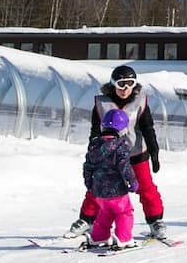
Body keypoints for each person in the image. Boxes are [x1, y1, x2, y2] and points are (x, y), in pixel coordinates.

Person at [65, 65, 169, 243]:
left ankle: (155, 221)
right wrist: (94, 150)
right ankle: (86, 219)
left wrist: (154, 151)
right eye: (121, 84)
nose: (125, 89)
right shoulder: (101, 103)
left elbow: (147, 127)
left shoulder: (140, 101)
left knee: (145, 186)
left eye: (130, 84)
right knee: (98, 185)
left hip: (136, 152)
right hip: (109, 152)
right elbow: (95, 130)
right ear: (114, 84)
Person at [81, 109, 141, 251]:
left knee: (104, 214)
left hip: (99, 192)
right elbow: (124, 166)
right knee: (124, 212)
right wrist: (133, 181)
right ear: (123, 130)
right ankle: (123, 238)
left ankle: (99, 237)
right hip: (117, 191)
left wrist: (89, 183)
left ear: (103, 126)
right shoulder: (121, 146)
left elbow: (88, 166)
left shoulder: (94, 145)